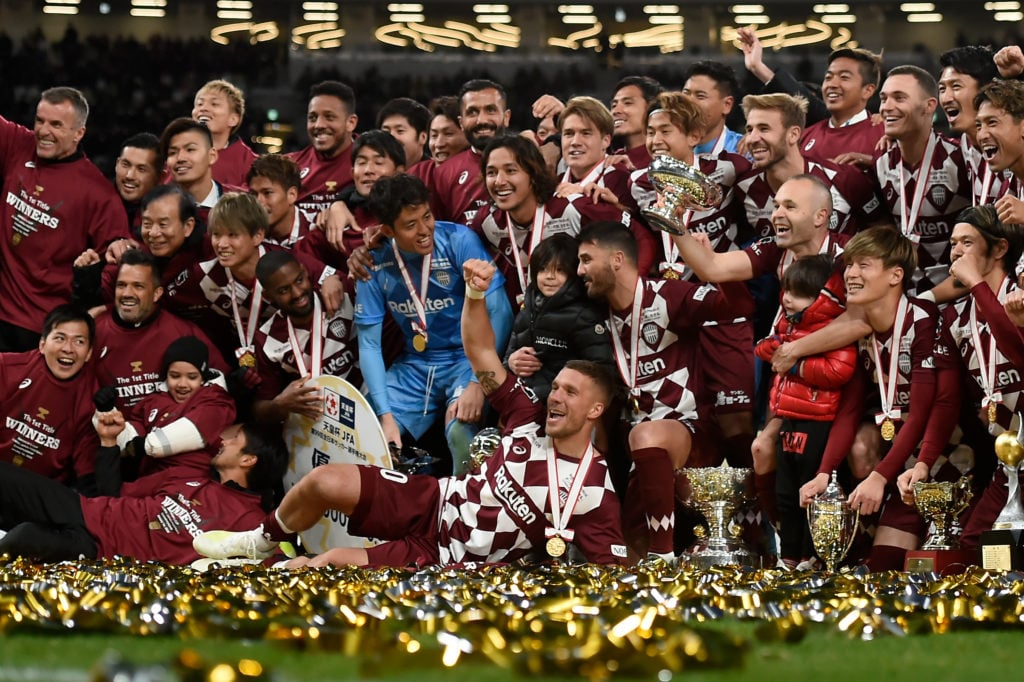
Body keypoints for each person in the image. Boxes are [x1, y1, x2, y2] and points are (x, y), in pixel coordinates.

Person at [192, 258, 627, 568]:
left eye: (570, 393)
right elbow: (479, 351)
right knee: (325, 480)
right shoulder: (526, 414)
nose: (555, 397)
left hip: (450, 562)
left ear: (595, 408)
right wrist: (474, 293)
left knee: (326, 564)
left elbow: (610, 569)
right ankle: (259, 542)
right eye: (556, 387)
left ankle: (261, 570)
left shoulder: (594, 487)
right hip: (433, 503)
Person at [577, 221, 753, 559]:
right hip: (636, 447)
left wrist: (712, 265)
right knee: (628, 555)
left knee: (647, 436)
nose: (579, 270)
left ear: (616, 260)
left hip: (692, 431)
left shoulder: (666, 296)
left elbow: (737, 308)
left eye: (586, 260)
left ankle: (663, 557)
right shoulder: (593, 315)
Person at [799, 227, 960, 571]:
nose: (852, 274)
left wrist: (880, 477)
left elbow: (925, 411)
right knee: (884, 568)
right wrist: (824, 473)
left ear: (895, 275)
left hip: (949, 461)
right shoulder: (865, 330)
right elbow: (850, 408)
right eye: (850, 266)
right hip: (904, 468)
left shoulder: (923, 321)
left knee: (948, 570)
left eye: (864, 265)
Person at [355, 174, 512, 474]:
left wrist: (480, 383)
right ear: (388, 230)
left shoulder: (458, 240)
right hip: (415, 364)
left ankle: (461, 514)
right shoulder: (373, 262)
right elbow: (369, 344)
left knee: (459, 431)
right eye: (410, 225)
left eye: (426, 216)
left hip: (469, 360)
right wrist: (386, 416)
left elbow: (501, 314)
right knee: (369, 431)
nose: (425, 229)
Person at [633, 90, 757, 468]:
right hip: (671, 311)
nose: (655, 140)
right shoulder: (638, 183)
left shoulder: (729, 169)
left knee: (736, 419)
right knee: (683, 411)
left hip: (722, 304)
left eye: (665, 130)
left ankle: (750, 516)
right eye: (650, 132)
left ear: (692, 136)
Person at [905, 205, 1024, 549]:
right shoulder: (956, 318)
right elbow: (947, 400)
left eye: (967, 243)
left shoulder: (1018, 297)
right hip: (1010, 465)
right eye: (953, 243)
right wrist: (925, 462)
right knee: (973, 547)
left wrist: (975, 283)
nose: (955, 252)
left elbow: (1018, 353)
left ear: (1000, 249)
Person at [0, 423, 286, 565]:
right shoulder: (188, 475)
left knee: (22, 538)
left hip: (102, 553)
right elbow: (116, 491)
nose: (223, 440)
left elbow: (276, 568)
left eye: (235, 439)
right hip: (87, 510)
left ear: (249, 460)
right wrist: (109, 442)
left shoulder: (253, 523)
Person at [0, 86, 130, 350]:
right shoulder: (19, 145)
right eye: (40, 120)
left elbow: (118, 266)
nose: (44, 131)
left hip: (42, 329)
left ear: (78, 133)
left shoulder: (99, 194)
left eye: (56, 124)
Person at [754, 255, 858, 568]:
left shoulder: (836, 331)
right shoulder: (788, 327)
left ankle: (815, 557)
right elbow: (763, 348)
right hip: (789, 419)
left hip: (819, 425)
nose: (786, 298)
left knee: (811, 496)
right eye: (786, 290)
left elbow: (838, 371)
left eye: (798, 293)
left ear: (824, 299)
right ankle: (788, 556)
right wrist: (783, 348)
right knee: (786, 496)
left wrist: (795, 362)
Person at [472, 133, 631, 307]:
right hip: (529, 319)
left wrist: (629, 296)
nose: (499, 181)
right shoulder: (487, 221)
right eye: (491, 173)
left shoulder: (571, 207)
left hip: (581, 319)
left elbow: (637, 235)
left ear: (533, 174)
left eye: (511, 170)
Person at [869, 65, 972, 293]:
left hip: (958, 293)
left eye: (899, 98)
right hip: (904, 293)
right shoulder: (881, 160)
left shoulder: (959, 159)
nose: (886, 107)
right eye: (883, 98)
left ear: (929, 106)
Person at [92, 249, 227, 411]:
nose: (127, 293)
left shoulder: (183, 332)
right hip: (111, 431)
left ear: (157, 294)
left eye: (138, 286)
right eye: (121, 285)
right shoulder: (94, 331)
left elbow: (219, 385)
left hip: (172, 432)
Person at [737, 29, 885, 165]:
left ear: (868, 90)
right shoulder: (804, 135)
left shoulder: (884, 132)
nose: (832, 84)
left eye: (844, 77)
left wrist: (874, 164)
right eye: (828, 77)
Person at [0, 304, 102, 493]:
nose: (68, 349)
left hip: (38, 495)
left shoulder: (92, 401)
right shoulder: (6, 367)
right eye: (60, 338)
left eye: (79, 342)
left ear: (88, 354)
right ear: (42, 344)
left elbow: (86, 474)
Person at [252, 251, 360, 424]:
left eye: (299, 280)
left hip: (368, 400)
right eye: (284, 290)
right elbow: (261, 407)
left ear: (305, 272)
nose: (297, 293)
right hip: (322, 422)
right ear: (268, 296)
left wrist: (335, 278)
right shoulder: (267, 340)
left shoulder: (340, 295)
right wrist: (281, 404)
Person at [504, 233, 613, 402]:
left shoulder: (583, 316)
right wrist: (511, 362)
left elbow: (602, 373)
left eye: (560, 270)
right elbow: (507, 359)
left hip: (560, 406)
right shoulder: (527, 310)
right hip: (521, 398)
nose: (549, 276)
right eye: (543, 269)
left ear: (574, 273)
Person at [109, 335, 235, 481]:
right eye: (175, 376)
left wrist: (144, 446)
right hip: (150, 480)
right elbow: (129, 437)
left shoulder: (216, 400)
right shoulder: (153, 401)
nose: (182, 384)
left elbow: (194, 430)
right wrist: (106, 413)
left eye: (192, 377)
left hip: (194, 482)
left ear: (203, 378)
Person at [429, 79, 511, 225]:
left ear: (506, 117)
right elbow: (440, 233)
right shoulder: (444, 174)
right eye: (472, 112)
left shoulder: (530, 160)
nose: (481, 120)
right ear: (461, 123)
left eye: (490, 110)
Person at [938, 46, 1007, 207]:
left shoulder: (1014, 140)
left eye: (956, 86)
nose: (946, 98)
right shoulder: (965, 143)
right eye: (942, 89)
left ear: (986, 89)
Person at [286, 80, 359, 225]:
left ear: (350, 123)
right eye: (312, 118)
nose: (319, 125)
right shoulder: (289, 166)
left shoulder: (372, 164)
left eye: (329, 117)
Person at [160, 117, 243, 224]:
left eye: (190, 149)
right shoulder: (157, 206)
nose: (180, 158)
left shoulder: (241, 204)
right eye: (172, 153)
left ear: (212, 156)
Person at [192, 79, 258, 187]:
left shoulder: (250, 163)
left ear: (233, 119)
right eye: (199, 103)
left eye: (214, 104)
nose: (203, 108)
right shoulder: (177, 153)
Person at [682, 61, 745, 156]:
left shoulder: (744, 151)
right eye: (686, 94)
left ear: (726, 105)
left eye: (700, 96)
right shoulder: (667, 147)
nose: (688, 102)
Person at [113, 132, 162, 238]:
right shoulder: (96, 201)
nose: (130, 175)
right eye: (125, 165)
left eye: (141, 169)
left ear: (160, 175)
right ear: (117, 164)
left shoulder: (170, 211)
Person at [377, 96, 431, 170]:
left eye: (400, 131)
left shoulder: (436, 175)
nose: (391, 136)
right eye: (386, 131)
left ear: (423, 137)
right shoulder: (374, 174)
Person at [426, 96, 469, 165]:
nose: (439, 144)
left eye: (448, 134)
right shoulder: (418, 172)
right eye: (434, 135)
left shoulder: (480, 172)